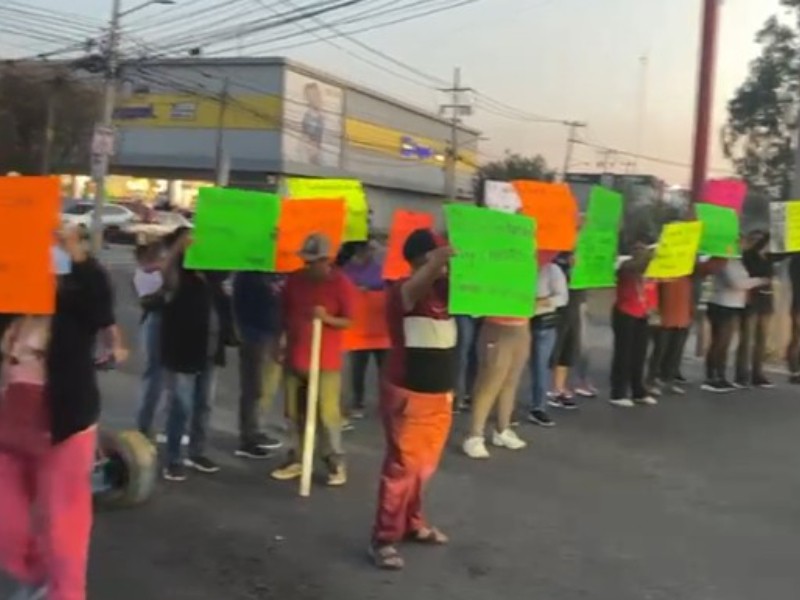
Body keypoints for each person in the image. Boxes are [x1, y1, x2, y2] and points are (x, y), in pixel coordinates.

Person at [0, 225, 124, 600]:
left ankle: (64, 592)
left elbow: (100, 305)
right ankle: (35, 575)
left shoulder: (74, 311)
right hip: (11, 426)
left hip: (65, 426)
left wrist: (76, 253)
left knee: (62, 526)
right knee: (8, 523)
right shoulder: (11, 313)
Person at [369, 229, 455, 570]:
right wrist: (437, 261)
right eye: (436, 255)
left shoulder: (447, 291)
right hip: (409, 392)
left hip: (439, 393)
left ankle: (413, 523)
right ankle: (383, 538)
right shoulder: (403, 290)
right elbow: (414, 289)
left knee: (424, 468)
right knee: (402, 468)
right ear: (422, 258)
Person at [270, 233, 353, 487]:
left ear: (326, 260)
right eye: (305, 260)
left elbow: (348, 320)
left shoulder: (341, 284)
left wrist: (327, 319)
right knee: (294, 412)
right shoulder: (294, 281)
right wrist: (279, 342)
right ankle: (297, 458)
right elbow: (283, 315)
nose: (307, 266)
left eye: (313, 261)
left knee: (327, 415)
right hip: (295, 357)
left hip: (325, 362)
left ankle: (334, 461)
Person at [160, 228, 228, 481]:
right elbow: (165, 276)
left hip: (209, 350)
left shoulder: (212, 278)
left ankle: (197, 451)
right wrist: (178, 247)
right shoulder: (180, 277)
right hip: (183, 350)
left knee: (204, 405)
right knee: (181, 405)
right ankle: (174, 458)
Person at [462, 309, 529, 459]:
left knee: (510, 382)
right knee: (489, 383)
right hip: (496, 326)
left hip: (522, 326)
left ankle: (502, 429)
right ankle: (474, 435)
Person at [232, 271, 285, 459]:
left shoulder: (276, 274)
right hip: (253, 335)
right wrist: (240, 330)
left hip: (271, 333)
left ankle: (256, 429)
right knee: (252, 388)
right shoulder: (248, 274)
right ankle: (247, 437)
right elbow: (238, 304)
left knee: (265, 387)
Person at [702, 243, 768, 393]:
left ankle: (719, 375)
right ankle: (713, 376)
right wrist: (759, 281)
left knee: (724, 342)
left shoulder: (737, 262)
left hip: (734, 305)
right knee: (720, 342)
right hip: (722, 304)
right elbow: (737, 283)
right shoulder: (723, 261)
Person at [609, 239, 658, 408]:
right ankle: (618, 392)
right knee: (624, 354)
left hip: (642, 313)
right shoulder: (627, 267)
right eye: (638, 250)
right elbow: (633, 267)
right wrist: (647, 259)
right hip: (625, 312)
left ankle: (638, 390)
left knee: (640, 354)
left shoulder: (652, 270)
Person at [341, 241, 386, 419]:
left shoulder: (380, 268)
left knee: (384, 367)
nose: (371, 252)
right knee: (358, 368)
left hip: (379, 326)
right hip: (358, 328)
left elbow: (388, 285)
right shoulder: (347, 270)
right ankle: (357, 401)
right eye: (368, 249)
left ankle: (385, 401)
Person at [527, 260, 568, 426]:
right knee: (509, 369)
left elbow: (562, 298)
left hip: (543, 322)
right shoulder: (515, 266)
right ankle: (506, 408)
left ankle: (539, 407)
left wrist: (541, 301)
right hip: (517, 321)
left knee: (540, 366)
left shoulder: (552, 269)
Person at [133, 240, 167, 438]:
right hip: (155, 323)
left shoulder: (150, 269)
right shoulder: (146, 272)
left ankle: (149, 424)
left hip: (156, 323)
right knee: (155, 376)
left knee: (158, 377)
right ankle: (144, 426)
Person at [736, 231, 777, 388]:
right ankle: (741, 374)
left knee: (761, 339)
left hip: (766, 298)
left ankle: (757, 374)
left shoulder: (769, 257)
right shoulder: (748, 256)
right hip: (752, 299)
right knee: (746, 338)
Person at [646, 276, 693, 396]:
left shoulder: (687, 273)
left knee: (676, 350)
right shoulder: (661, 271)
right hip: (663, 315)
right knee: (660, 349)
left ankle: (668, 379)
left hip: (682, 315)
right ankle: (651, 381)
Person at [550, 252, 583, 408]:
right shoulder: (557, 254)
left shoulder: (582, 248)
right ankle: (547, 389)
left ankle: (558, 388)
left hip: (573, 304)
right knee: (552, 347)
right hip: (556, 306)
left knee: (569, 345)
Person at [787, 254, 800, 383]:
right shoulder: (796, 260)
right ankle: (795, 372)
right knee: (796, 338)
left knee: (796, 338)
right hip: (798, 303)